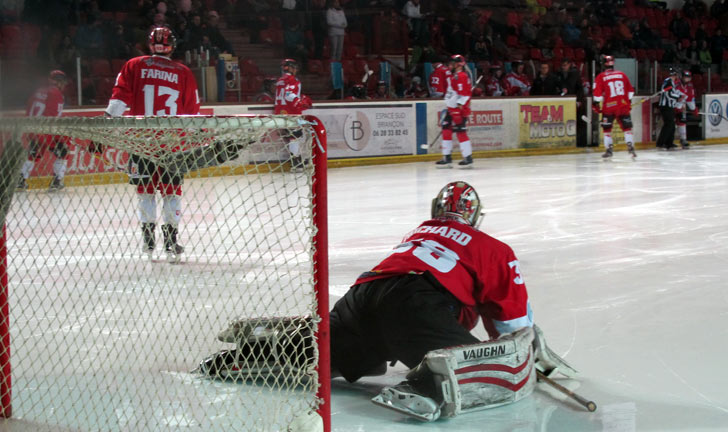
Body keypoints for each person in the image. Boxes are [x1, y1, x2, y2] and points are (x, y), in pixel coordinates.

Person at [202, 181, 577, 421]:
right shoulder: (491, 246)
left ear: (436, 211)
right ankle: (424, 383)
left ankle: (251, 353)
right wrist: (524, 353)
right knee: (486, 369)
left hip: (362, 295)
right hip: (415, 303)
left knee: (341, 351)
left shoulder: (420, 232)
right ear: (476, 217)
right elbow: (511, 320)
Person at [103, 27, 201, 263]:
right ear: (172, 46)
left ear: (150, 44)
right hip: (172, 144)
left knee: (145, 192)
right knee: (171, 193)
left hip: (141, 142)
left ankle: (148, 241)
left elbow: (119, 98)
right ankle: (170, 241)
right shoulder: (184, 72)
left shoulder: (134, 65)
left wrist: (107, 126)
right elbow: (191, 113)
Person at [17, 70, 69, 191]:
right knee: (63, 152)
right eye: (62, 82)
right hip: (46, 130)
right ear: (58, 82)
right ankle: (57, 181)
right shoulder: (56, 93)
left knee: (34, 153)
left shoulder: (38, 91)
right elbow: (53, 116)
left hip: (32, 129)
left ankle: (20, 180)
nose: (63, 85)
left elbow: (29, 109)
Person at [592, 55, 636, 158]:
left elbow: (597, 96)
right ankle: (630, 146)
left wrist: (595, 105)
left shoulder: (601, 77)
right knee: (627, 128)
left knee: (607, 129)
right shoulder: (622, 74)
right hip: (623, 106)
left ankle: (609, 149)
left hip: (609, 107)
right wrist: (628, 102)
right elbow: (630, 92)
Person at [436, 55, 473, 169]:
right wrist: (450, 106)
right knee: (446, 130)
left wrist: (458, 109)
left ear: (458, 64)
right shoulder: (455, 76)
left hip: (458, 110)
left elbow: (465, 95)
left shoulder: (461, 76)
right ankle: (446, 157)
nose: (450, 65)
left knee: (460, 132)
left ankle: (468, 158)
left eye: (452, 63)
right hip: (451, 108)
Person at [274, 58, 312, 168]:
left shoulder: (280, 80)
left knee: (293, 136)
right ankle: (296, 161)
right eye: (294, 67)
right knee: (296, 135)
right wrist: (299, 102)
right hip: (291, 112)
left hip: (280, 111)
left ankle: (297, 158)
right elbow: (288, 94)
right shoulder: (292, 80)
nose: (295, 69)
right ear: (289, 68)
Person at [656, 68, 683, 150]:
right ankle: (661, 143)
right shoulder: (669, 81)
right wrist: (678, 97)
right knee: (669, 124)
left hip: (669, 106)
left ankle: (669, 143)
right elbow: (669, 94)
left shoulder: (670, 82)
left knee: (671, 125)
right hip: (666, 106)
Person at [676, 70, 697, 149]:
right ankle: (667, 141)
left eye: (688, 77)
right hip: (672, 106)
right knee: (670, 125)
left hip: (681, 107)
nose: (687, 79)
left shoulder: (690, 86)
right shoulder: (676, 84)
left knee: (682, 122)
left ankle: (683, 139)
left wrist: (693, 108)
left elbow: (690, 98)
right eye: (685, 77)